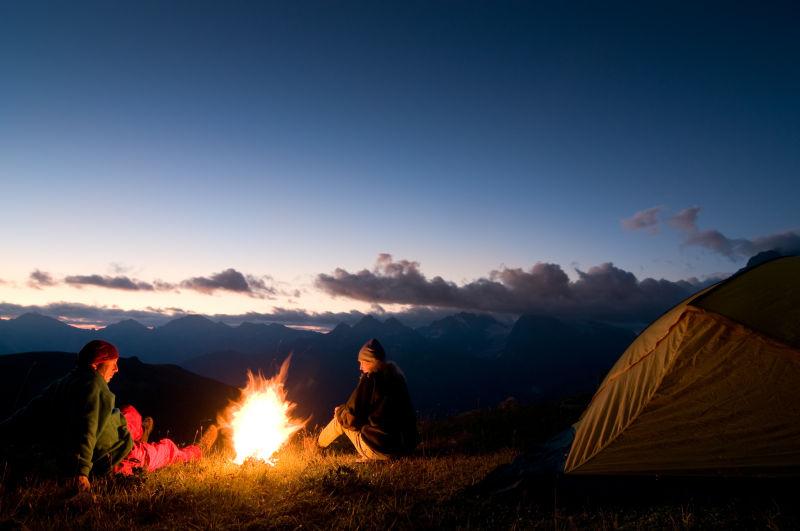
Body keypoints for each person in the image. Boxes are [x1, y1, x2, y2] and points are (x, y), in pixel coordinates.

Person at [0, 340, 217, 491]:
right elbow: (86, 429)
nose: (117, 370)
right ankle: (198, 450)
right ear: (96, 365)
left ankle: (139, 431)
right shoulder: (94, 387)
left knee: (130, 412)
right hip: (118, 456)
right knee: (168, 448)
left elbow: (30, 410)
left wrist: (3, 430)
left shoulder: (67, 380)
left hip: (114, 428)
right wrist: (81, 472)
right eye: (113, 365)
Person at [318, 338, 417, 460]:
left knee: (339, 420)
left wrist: (339, 412)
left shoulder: (371, 380)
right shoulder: (397, 378)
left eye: (362, 362)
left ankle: (316, 446)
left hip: (381, 451)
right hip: (404, 448)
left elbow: (351, 418)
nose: (360, 367)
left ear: (371, 361)